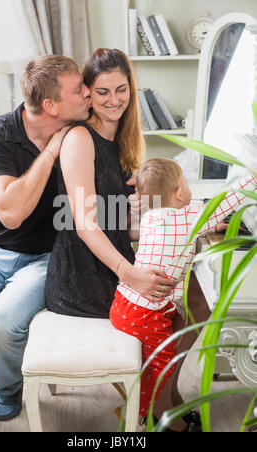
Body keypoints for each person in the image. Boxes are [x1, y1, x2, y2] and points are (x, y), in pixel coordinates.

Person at [0, 54, 92, 423]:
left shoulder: (83, 135)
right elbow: (11, 213)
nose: (88, 92)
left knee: (2, 321)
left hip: (46, 256)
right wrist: (49, 151)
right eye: (78, 89)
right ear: (51, 106)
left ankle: (8, 386)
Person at [110, 157, 257, 431]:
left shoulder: (154, 216)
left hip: (126, 304)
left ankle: (164, 404)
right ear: (179, 193)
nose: (188, 188)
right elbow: (229, 201)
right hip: (145, 315)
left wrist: (210, 224)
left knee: (162, 362)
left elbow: (187, 226)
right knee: (161, 368)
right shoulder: (191, 218)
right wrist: (254, 176)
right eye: (186, 184)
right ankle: (160, 417)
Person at [45, 48, 176, 322]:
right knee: (183, 305)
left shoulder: (125, 146)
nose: (114, 100)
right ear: (88, 94)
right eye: (103, 91)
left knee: (193, 297)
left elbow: (126, 230)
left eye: (121, 89)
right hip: (82, 280)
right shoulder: (80, 138)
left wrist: (142, 210)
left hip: (115, 267)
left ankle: (160, 367)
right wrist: (131, 274)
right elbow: (86, 225)